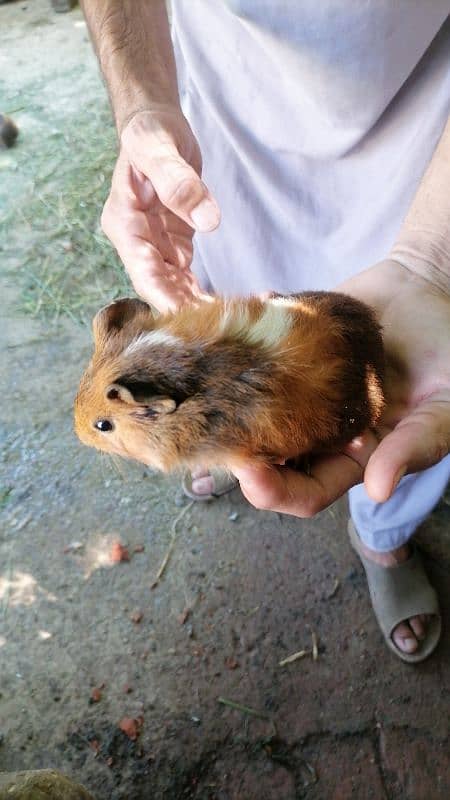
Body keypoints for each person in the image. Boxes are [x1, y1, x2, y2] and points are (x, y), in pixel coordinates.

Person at [80, 1, 450, 662]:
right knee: (231, 274)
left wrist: (432, 257)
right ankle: (241, 465)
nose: (100, 435)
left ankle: (382, 528)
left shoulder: (178, 410)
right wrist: (141, 104)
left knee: (410, 413)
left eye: (109, 425)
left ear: (156, 409)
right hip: (232, 129)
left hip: (426, 151)